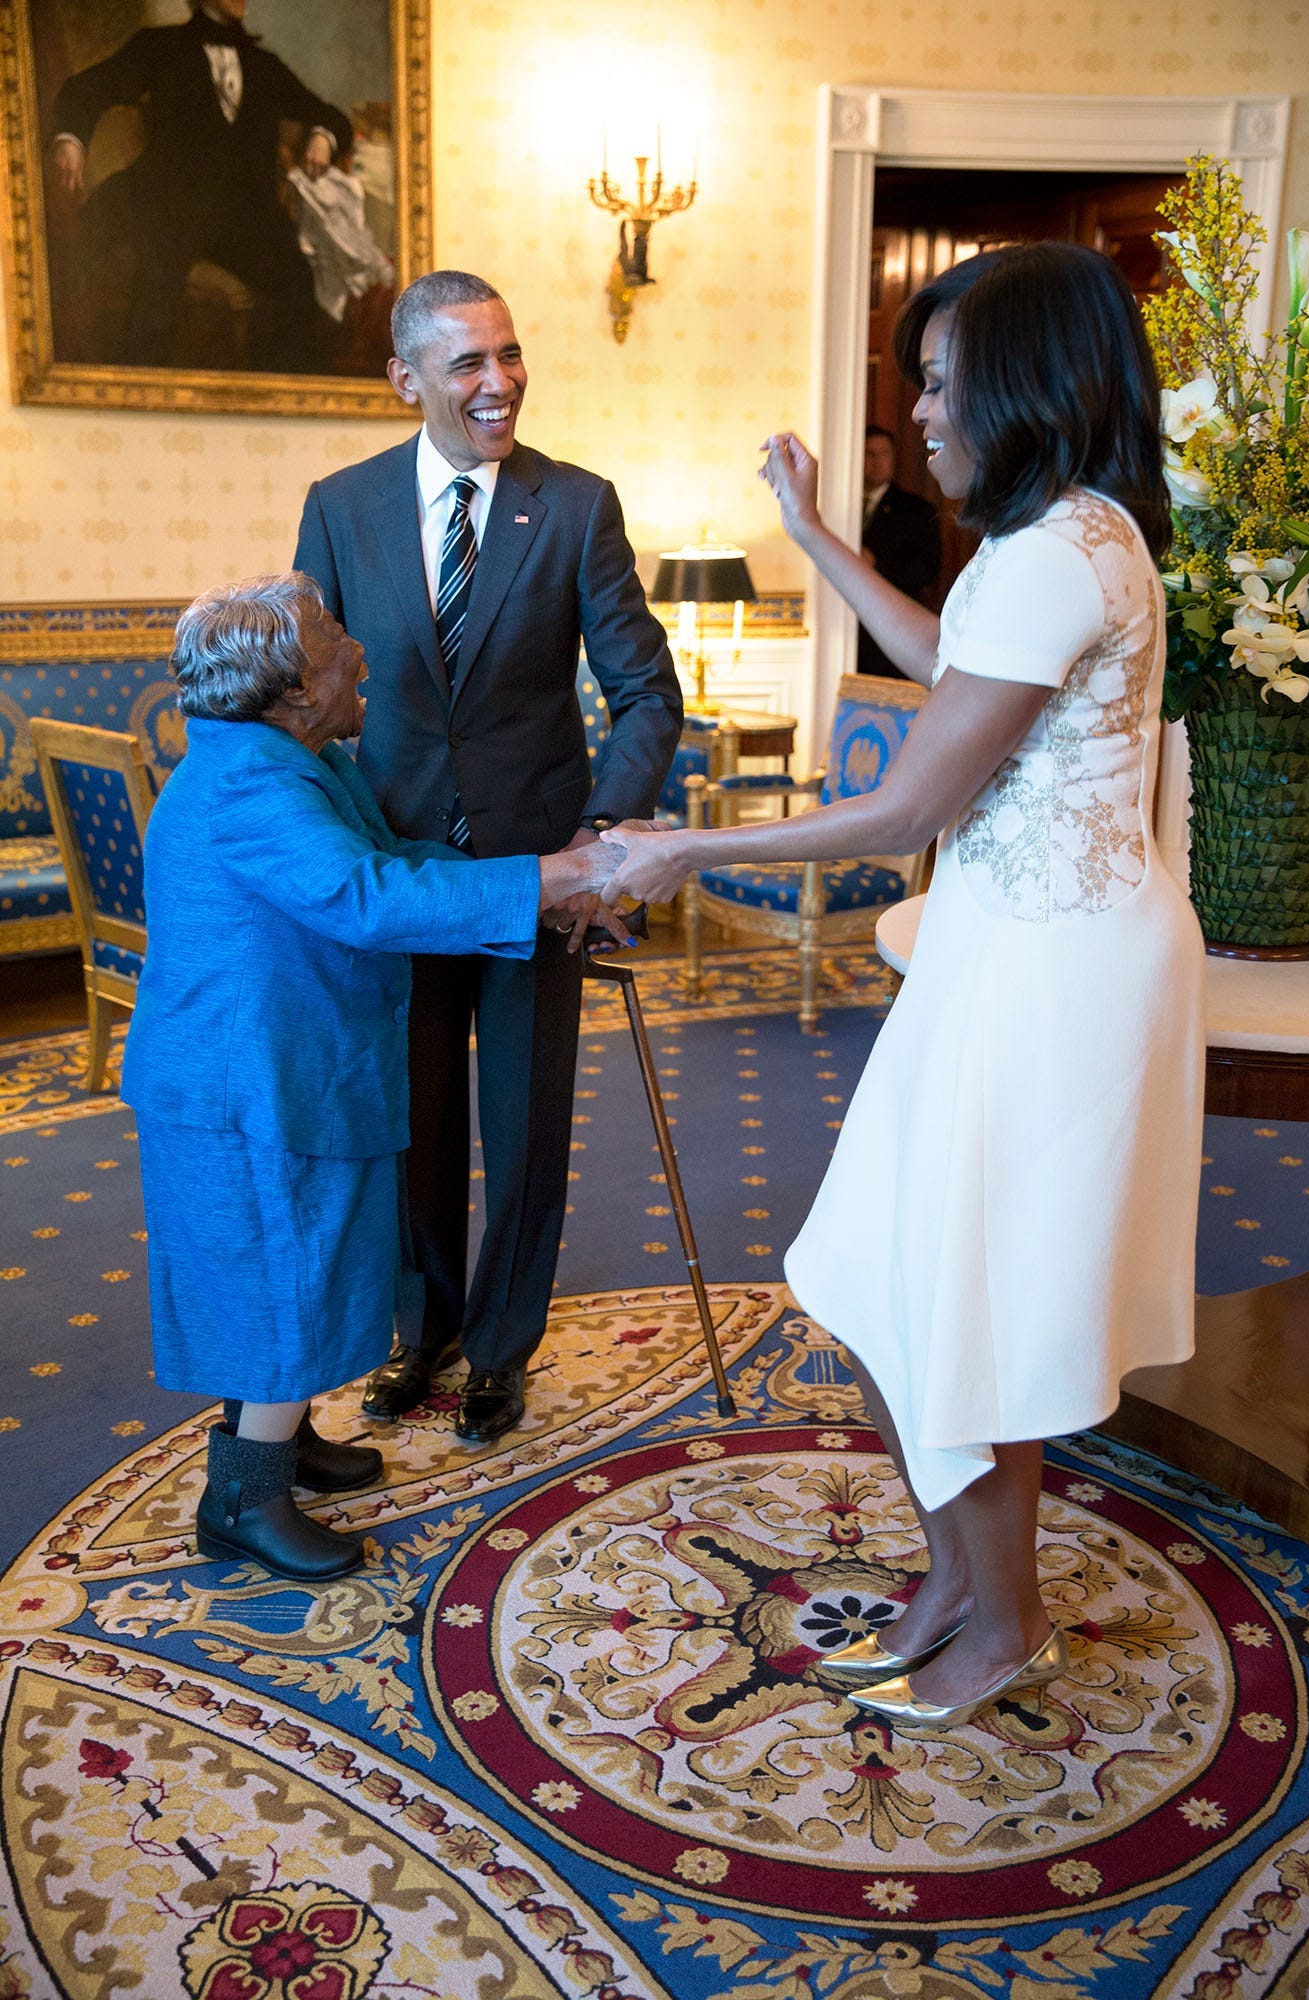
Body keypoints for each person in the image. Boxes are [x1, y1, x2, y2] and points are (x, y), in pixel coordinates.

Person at [601, 243, 1205, 1732]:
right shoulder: (1052, 539)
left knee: (966, 1305)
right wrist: (809, 532)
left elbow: (899, 807)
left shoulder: (1070, 546)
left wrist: (679, 845)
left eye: (939, 381)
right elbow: (947, 662)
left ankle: (1002, 1625)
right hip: (1004, 952)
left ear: (1022, 380)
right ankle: (958, 1576)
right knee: (881, 1278)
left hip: (1052, 974)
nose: (921, 413)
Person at [120, 573, 620, 1583]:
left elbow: (395, 854)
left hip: (287, 1063)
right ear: (296, 690)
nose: (359, 652)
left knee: (293, 1264)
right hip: (243, 1084)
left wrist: (543, 892)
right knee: (276, 1274)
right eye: (336, 639)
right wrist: (565, 876)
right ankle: (244, 1501)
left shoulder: (290, 757)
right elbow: (366, 894)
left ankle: (279, 1436)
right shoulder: (255, 785)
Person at [293, 269, 682, 1443]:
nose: (498, 382)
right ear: (406, 377)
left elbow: (646, 692)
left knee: (522, 1128)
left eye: (509, 355)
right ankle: (425, 1333)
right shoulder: (341, 505)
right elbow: (310, 695)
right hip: (398, 878)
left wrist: (598, 836)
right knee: (408, 1120)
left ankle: (503, 1347)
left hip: (535, 881)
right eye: (468, 362)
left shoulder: (575, 504)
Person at [48, 0, 350, 371]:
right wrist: (71, 139)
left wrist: (322, 136)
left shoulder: (263, 65)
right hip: (169, 207)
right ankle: (140, 396)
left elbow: (326, 113)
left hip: (241, 218)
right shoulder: (160, 47)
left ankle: (272, 395)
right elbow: (86, 89)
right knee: (157, 285)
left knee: (294, 280)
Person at [857, 426, 941, 678]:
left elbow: (928, 569)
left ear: (893, 458)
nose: (877, 462)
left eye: (883, 454)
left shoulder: (916, 510)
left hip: (894, 626)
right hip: (850, 629)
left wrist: (876, 565)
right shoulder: (841, 503)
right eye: (869, 454)